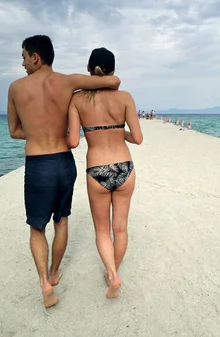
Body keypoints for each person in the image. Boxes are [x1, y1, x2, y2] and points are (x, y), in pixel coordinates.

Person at [7, 35, 121, 308]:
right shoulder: (68, 81)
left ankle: (45, 282)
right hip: (63, 162)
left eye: (23, 57)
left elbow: (14, 131)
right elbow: (114, 81)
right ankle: (55, 272)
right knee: (61, 221)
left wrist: (37, 132)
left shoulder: (16, 88)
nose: (22, 63)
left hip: (38, 165)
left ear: (36, 57)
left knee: (37, 228)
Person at [67, 47, 143, 299]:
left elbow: (74, 141)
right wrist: (116, 131)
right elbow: (138, 138)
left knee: (101, 230)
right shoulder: (125, 98)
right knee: (119, 229)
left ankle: (112, 274)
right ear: (113, 70)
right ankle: (114, 272)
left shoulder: (77, 100)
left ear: (89, 69)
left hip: (96, 169)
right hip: (125, 167)